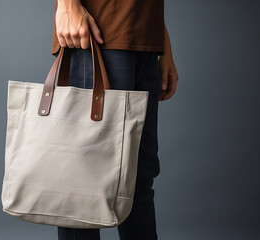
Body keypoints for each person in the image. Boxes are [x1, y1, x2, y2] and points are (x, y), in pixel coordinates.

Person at [51, 0, 179, 239]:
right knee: (81, 182)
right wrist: (67, 5)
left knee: (139, 177)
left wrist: (163, 44)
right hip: (97, 31)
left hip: (144, 39)